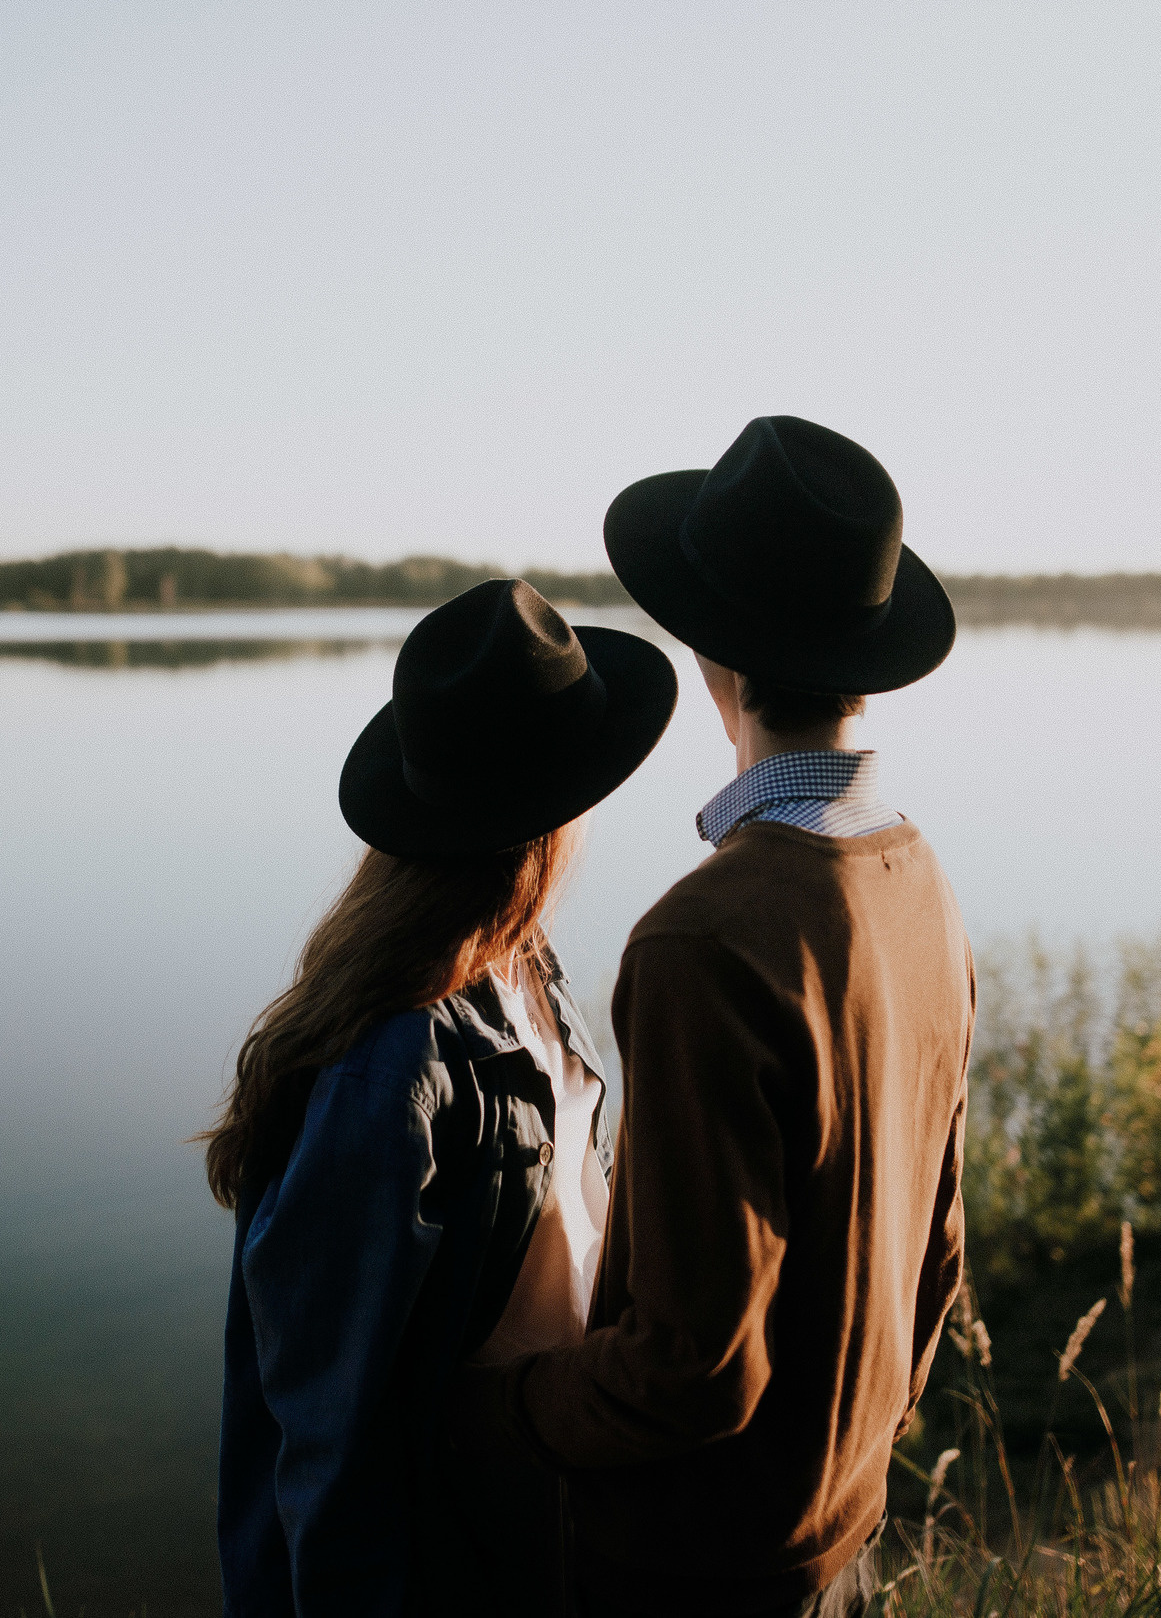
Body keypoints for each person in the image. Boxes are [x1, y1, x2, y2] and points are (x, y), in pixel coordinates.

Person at [458, 416, 977, 1617]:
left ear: (712, 661)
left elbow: (691, 1368)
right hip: (839, 1522)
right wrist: (857, 1442)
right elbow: (938, 1243)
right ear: (868, 654)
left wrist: (498, 1402)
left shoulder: (706, 936)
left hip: (697, 1567)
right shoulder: (921, 880)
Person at [209, 577, 678, 1618]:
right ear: (554, 818)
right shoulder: (391, 1070)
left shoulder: (527, 967)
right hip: (447, 1558)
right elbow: (329, 1434)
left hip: (540, 1521)